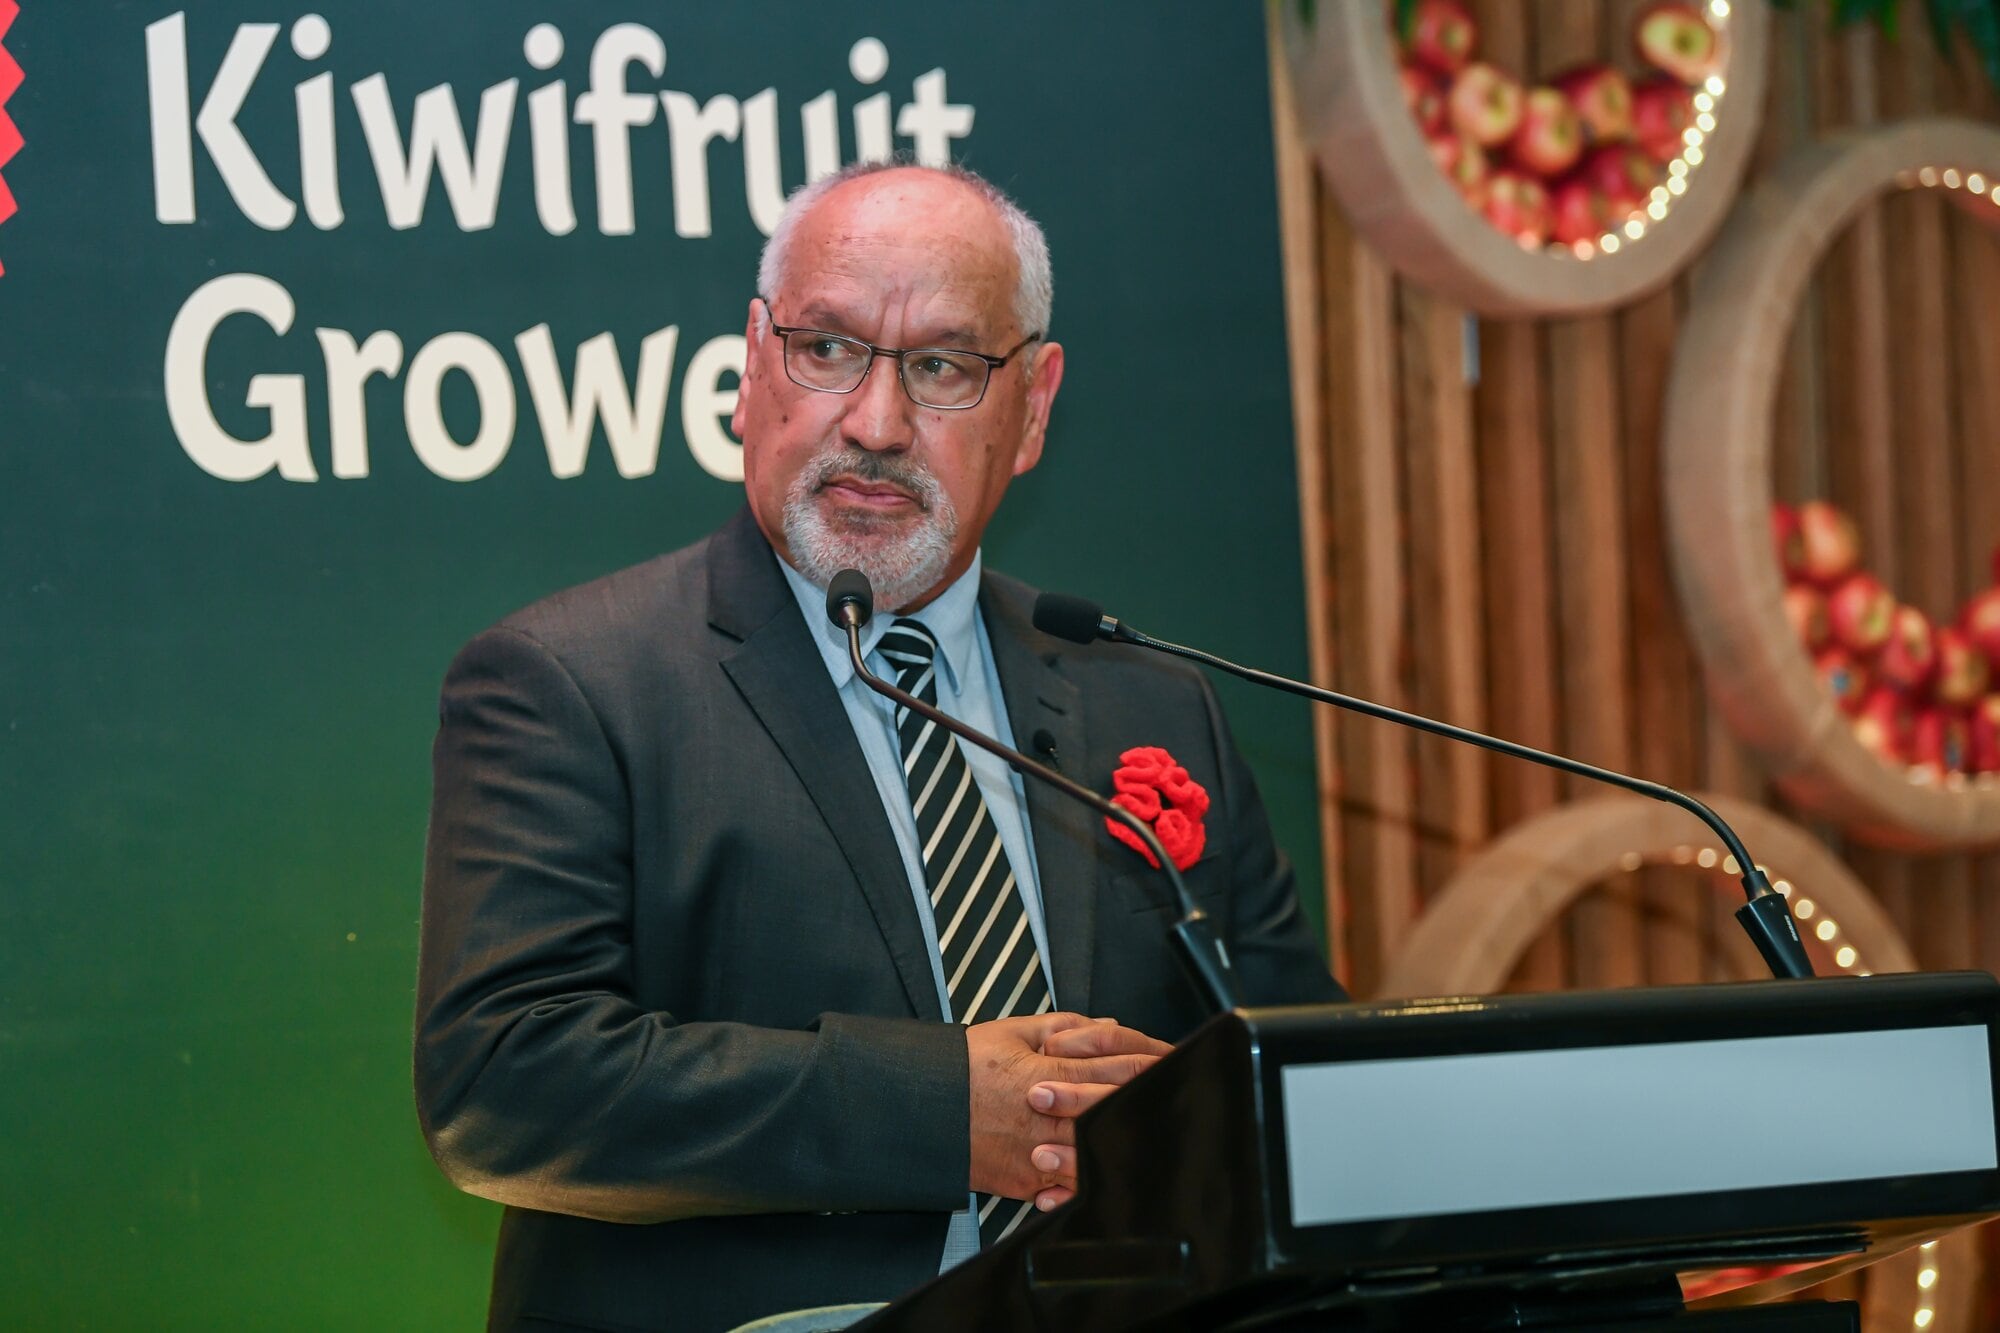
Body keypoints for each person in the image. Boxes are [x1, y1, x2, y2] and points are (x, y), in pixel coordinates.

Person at [415, 160, 1343, 1333]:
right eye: (826, 349)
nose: (875, 422)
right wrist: (948, 1109)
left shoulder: (1148, 705)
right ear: (753, 366)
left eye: (944, 367)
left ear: (1034, 409)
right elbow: (502, 1084)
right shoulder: (570, 680)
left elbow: (1297, 1082)